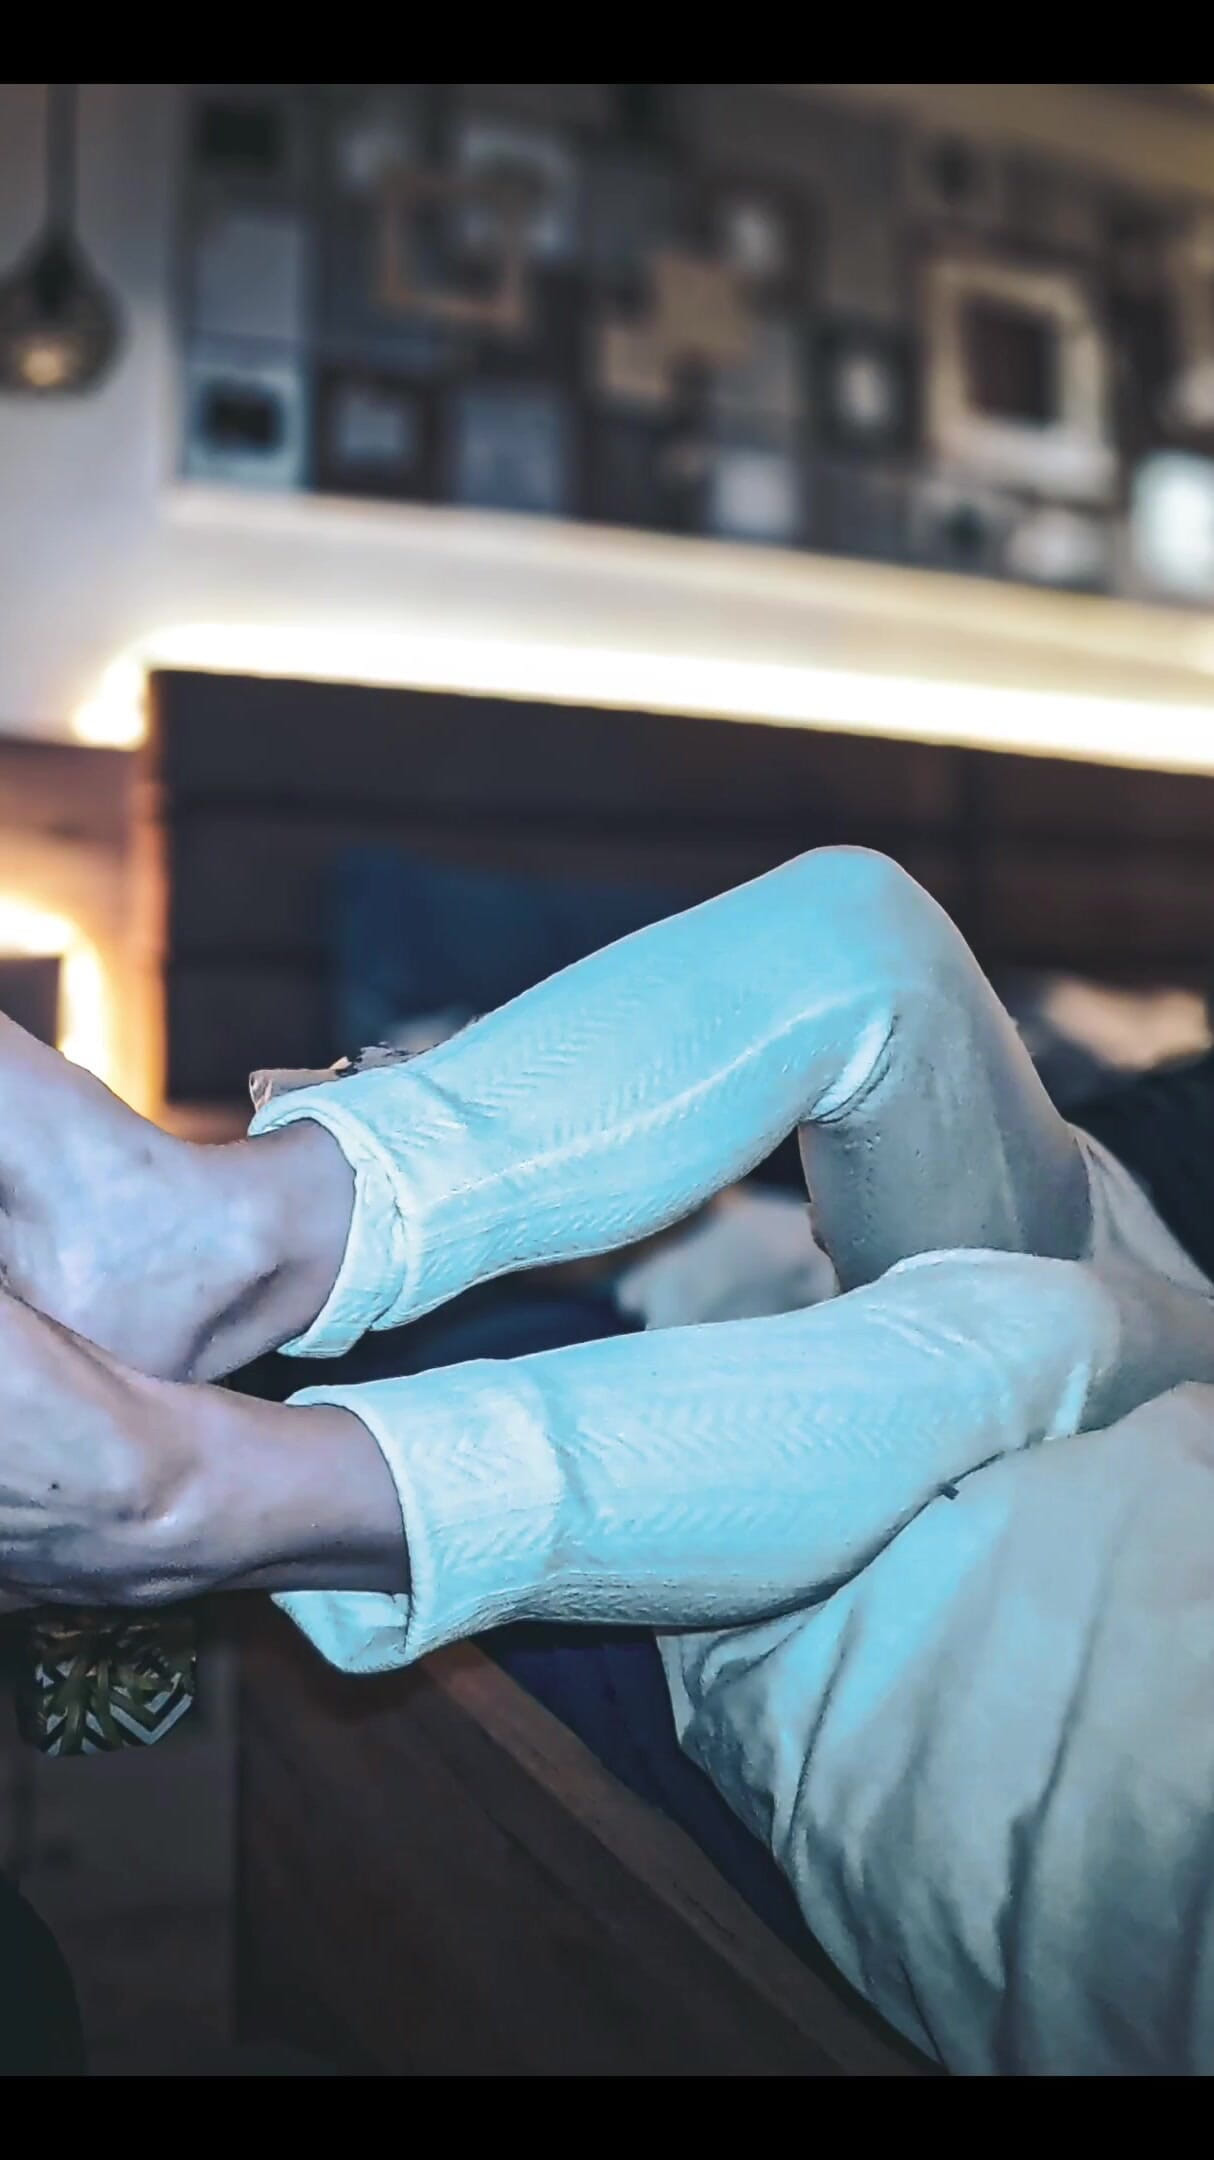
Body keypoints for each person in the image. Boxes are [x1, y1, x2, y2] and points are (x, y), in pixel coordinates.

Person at [0, 845, 1213, 2074]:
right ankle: (213, 1233)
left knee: (1041, 1329)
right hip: (1157, 1244)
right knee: (860, 921)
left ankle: (199, 1494)